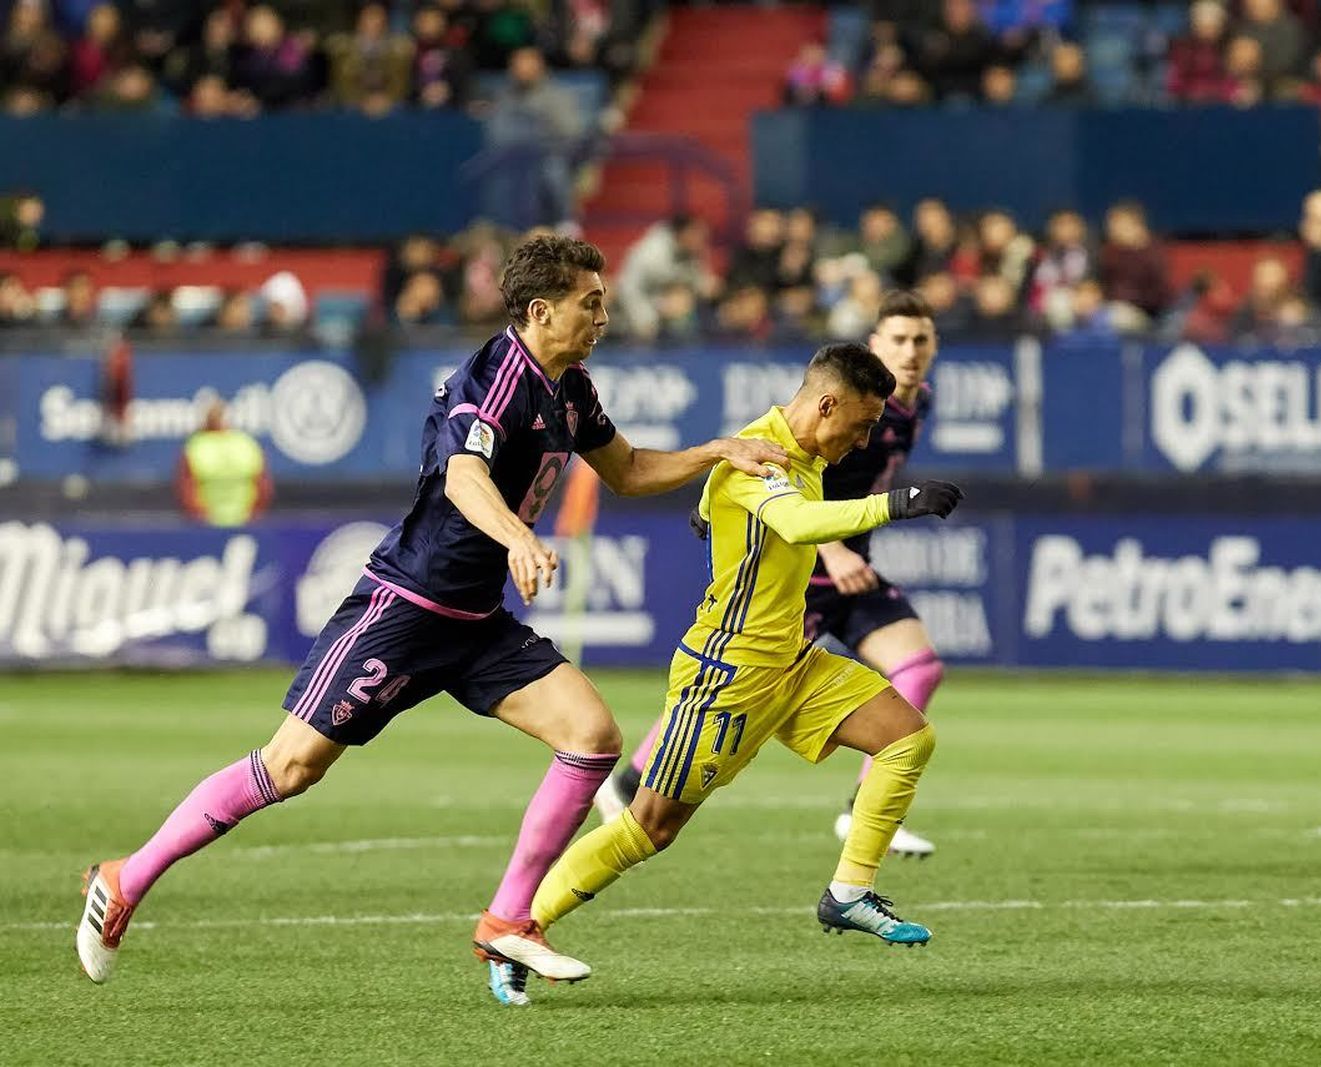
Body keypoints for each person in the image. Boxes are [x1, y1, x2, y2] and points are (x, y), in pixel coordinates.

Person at [75, 236, 789, 1007]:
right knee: (291, 767)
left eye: (603, 300)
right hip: (406, 609)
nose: (604, 315)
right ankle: (124, 878)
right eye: (592, 302)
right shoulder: (494, 378)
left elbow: (628, 469)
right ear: (541, 310)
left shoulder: (570, 386)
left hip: (477, 622)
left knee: (592, 737)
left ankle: (509, 918)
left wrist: (719, 450)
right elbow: (465, 476)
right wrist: (519, 536)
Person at [528, 342, 963, 969]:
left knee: (907, 739)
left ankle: (849, 892)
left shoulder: (801, 450)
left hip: (791, 662)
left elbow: (735, 503)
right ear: (827, 404)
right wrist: (900, 503)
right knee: (650, 825)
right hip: (725, 675)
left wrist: (708, 509)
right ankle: (520, 925)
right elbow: (797, 524)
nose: (866, 442)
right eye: (863, 425)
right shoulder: (760, 455)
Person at [598, 292, 948, 857]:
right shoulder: (844, 415)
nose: (910, 353)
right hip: (810, 565)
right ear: (874, 346)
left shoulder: (912, 406)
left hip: (854, 566)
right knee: (731, 687)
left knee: (921, 667)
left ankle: (863, 809)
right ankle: (634, 782)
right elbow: (794, 488)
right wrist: (831, 551)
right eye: (898, 340)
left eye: (921, 340)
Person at [175, 399, 271, 527]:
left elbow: (262, 485)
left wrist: (253, 515)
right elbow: (187, 488)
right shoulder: (196, 446)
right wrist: (200, 518)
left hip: (243, 520)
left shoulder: (245, 443)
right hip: (209, 523)